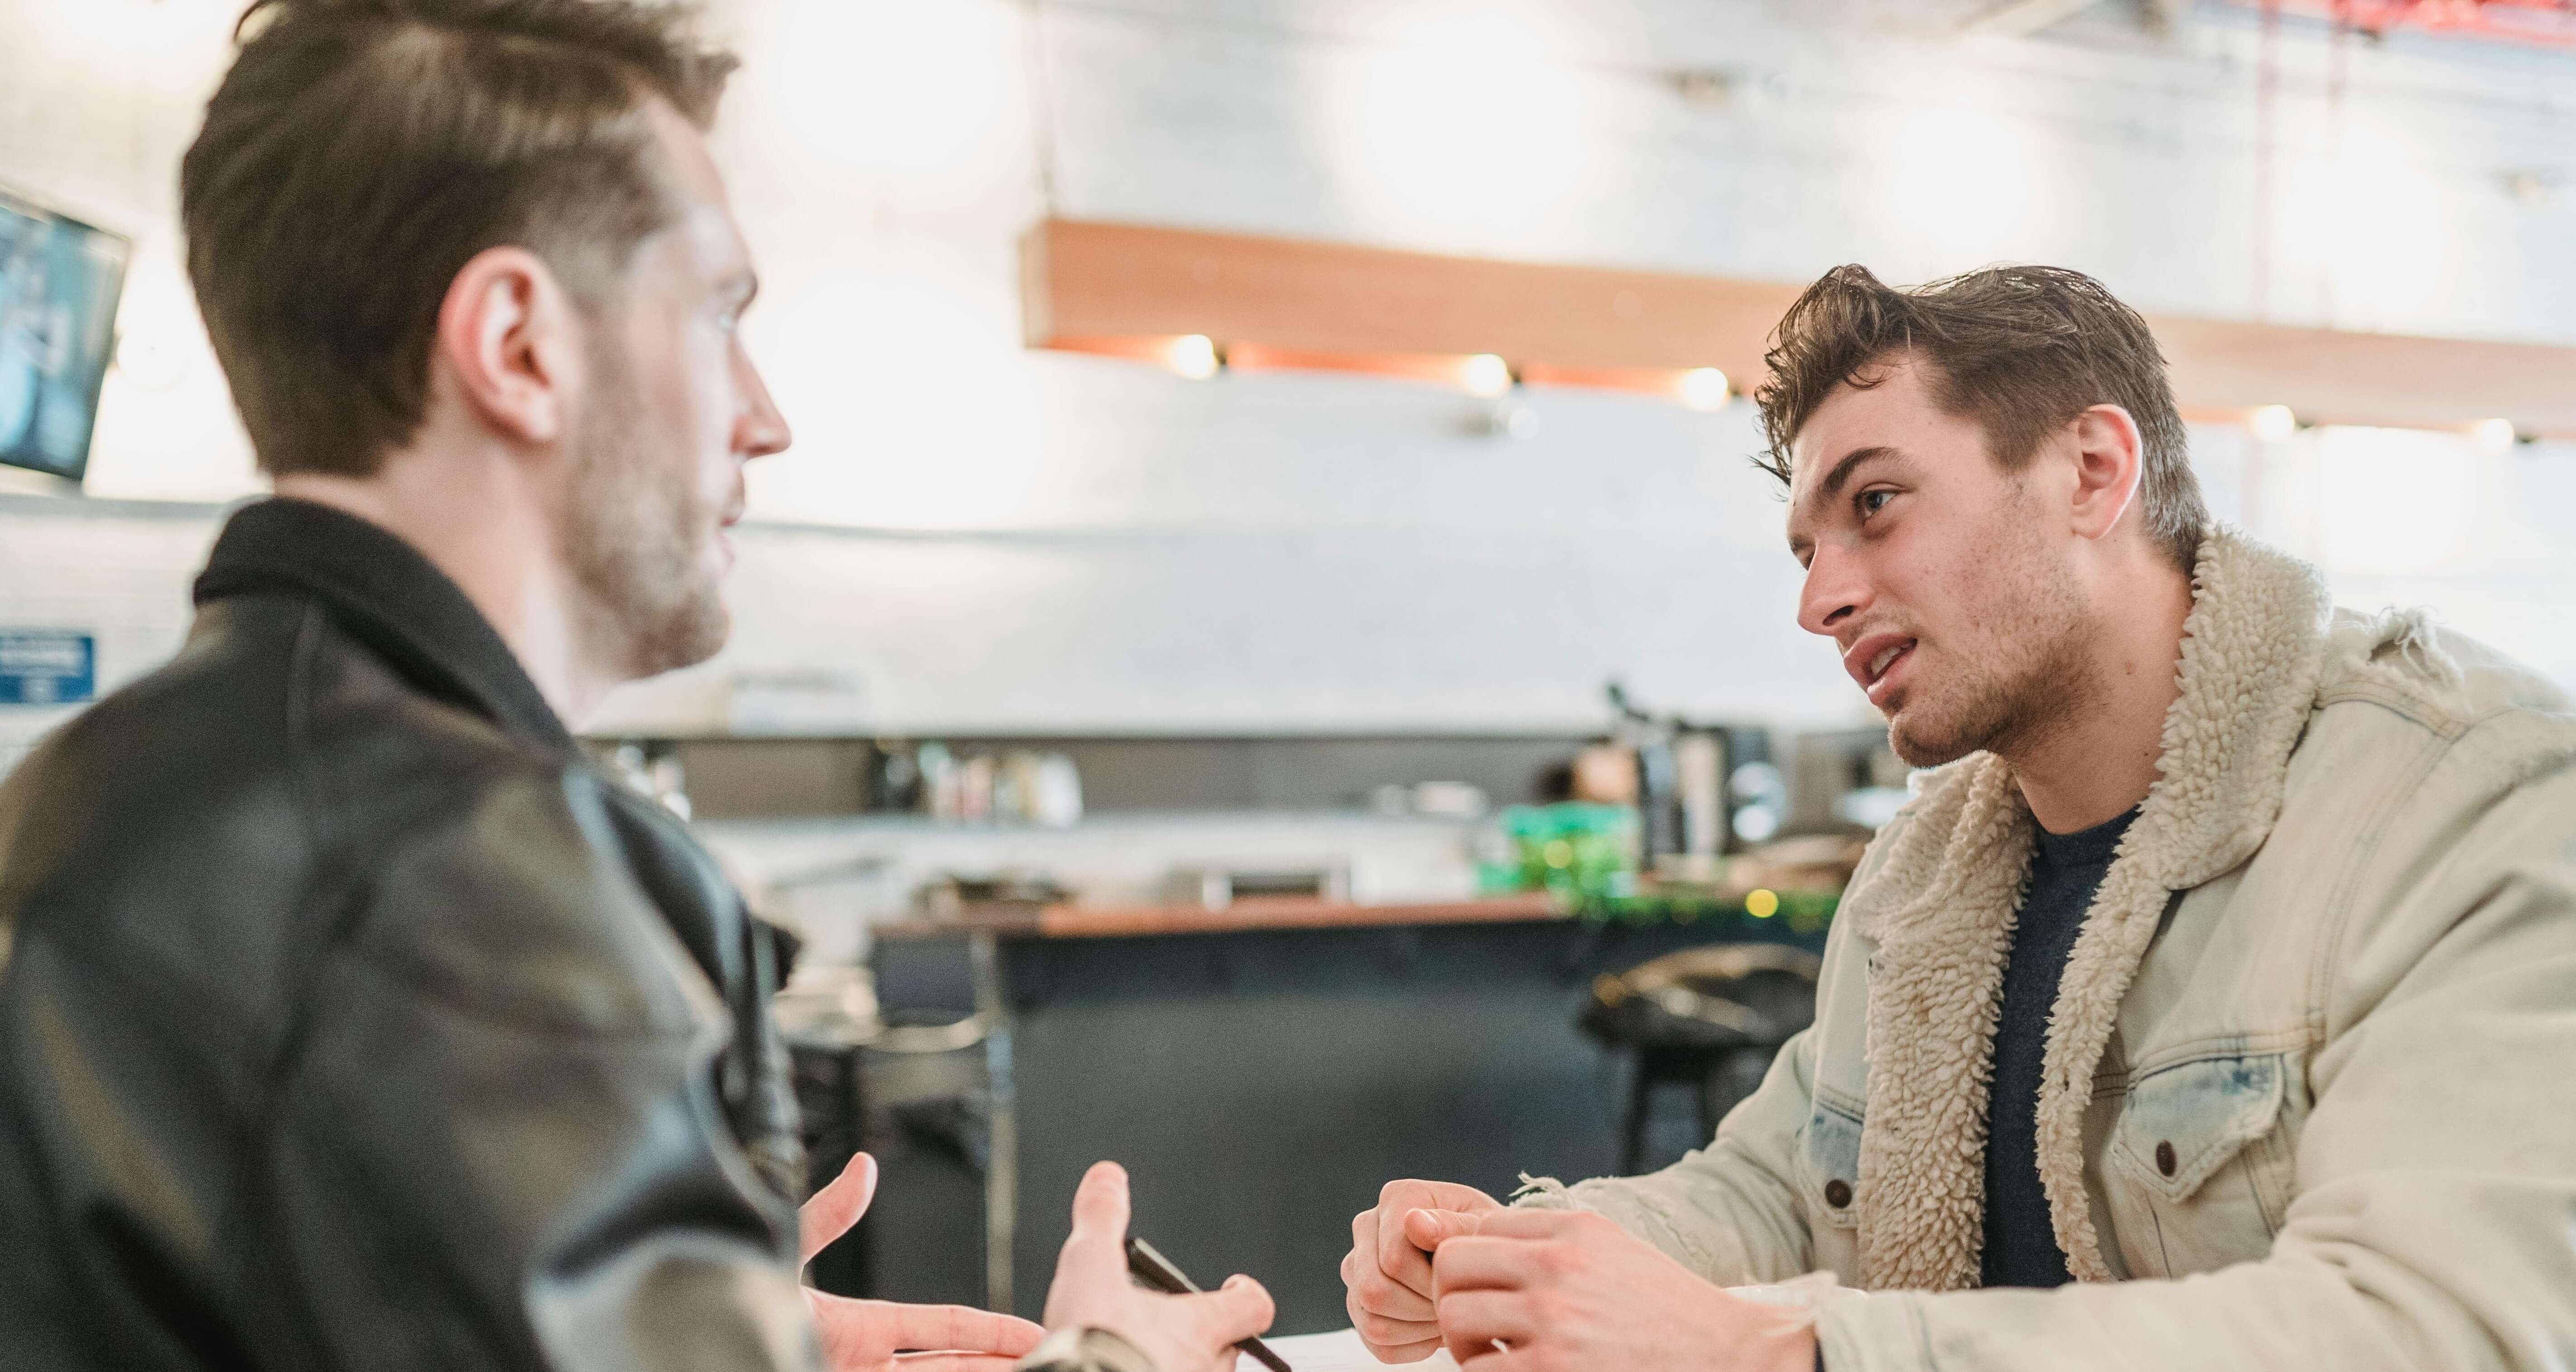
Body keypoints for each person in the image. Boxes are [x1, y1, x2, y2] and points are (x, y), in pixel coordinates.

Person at [0, 4, 1269, 1371]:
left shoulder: (76, 797)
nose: (765, 416)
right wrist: (1112, 1360)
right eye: (721, 313)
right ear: (520, 345)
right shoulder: (473, 886)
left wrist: (692, 1317)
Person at [1344, 264, 2576, 1371]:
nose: (1821, 599)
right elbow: (1783, 1187)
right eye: (1805, 547)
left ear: (2093, 472)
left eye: (1875, 502)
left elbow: (2428, 1324)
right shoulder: (1923, 871)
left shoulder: (2473, 795)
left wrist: (1795, 1348)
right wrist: (1525, 1255)